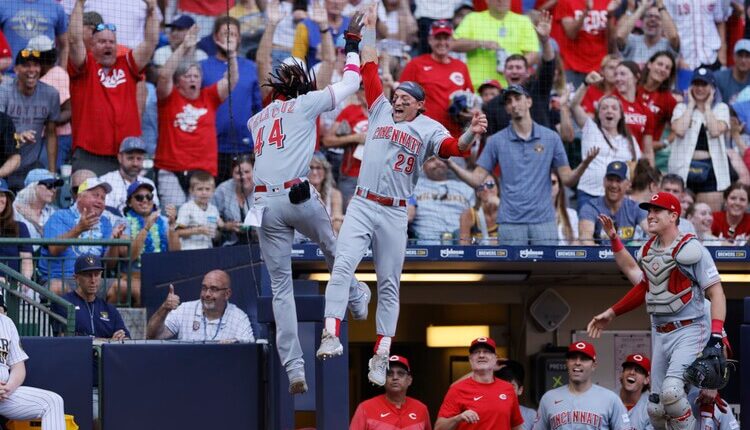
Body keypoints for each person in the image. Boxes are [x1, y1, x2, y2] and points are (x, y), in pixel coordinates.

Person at [316, 12, 489, 388]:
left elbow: (452, 149)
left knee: (390, 283)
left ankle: (381, 354)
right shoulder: (379, 108)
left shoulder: (430, 127)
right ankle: (330, 331)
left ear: (420, 106)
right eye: (396, 96)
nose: (397, 101)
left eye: (406, 99)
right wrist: (367, 29)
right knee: (342, 266)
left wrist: (471, 134)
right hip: (361, 203)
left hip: (394, 211)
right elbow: (370, 64)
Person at [249, 10, 373, 395]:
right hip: (296, 195)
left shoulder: (256, 119)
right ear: (302, 81)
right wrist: (351, 43)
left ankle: (293, 368)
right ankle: (355, 295)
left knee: (281, 288)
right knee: (333, 249)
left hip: (262, 206)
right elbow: (352, 80)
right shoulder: (306, 104)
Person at [587, 191, 727, 429]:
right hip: (662, 333)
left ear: (673, 216)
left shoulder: (692, 248)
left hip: (690, 328)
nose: (650, 215)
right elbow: (642, 285)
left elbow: (717, 294)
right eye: (649, 210)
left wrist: (716, 336)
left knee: (672, 393)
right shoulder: (649, 250)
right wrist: (612, 312)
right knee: (655, 408)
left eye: (656, 210)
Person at [448, 84, 597, 245]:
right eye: (509, 101)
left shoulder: (551, 138)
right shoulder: (496, 141)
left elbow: (567, 179)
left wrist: (585, 163)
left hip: (544, 221)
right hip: (510, 222)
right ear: (506, 109)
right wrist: (450, 163)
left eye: (518, 98)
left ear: (529, 102)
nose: (513, 104)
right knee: (512, 271)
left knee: (545, 270)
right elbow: (477, 180)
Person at [67, 0, 159, 175]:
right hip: (90, 154)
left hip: (125, 155)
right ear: (92, 46)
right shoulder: (85, 66)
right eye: (102, 41)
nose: (108, 45)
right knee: (87, 200)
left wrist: (153, 8)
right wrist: (79, 3)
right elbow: (73, 40)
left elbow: (150, 42)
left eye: (111, 42)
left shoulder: (127, 64)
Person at [156, 25, 238, 207]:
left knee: (199, 218)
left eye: (196, 76)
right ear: (178, 82)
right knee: (175, 218)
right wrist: (184, 47)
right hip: (171, 169)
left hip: (202, 170)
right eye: (187, 76)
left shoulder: (209, 96)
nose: (193, 79)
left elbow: (231, 81)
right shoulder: (169, 97)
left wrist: (231, 55)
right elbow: (163, 76)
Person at [38, 177, 127, 295]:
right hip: (62, 279)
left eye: (103, 198)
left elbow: (109, 265)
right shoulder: (60, 216)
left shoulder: (105, 223)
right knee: (57, 288)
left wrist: (114, 243)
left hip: (93, 281)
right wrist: (79, 229)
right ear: (80, 196)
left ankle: (98, 312)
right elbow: (54, 249)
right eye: (95, 195)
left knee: (123, 287)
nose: (100, 201)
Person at [201, 16, 262, 184]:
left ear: (240, 39)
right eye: (225, 33)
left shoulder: (251, 67)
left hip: (244, 146)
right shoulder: (201, 67)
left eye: (233, 34)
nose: (229, 38)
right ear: (215, 37)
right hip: (212, 147)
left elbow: (258, 109)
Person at [569, 72, 641, 211]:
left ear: (620, 115)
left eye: (614, 108)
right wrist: (585, 84)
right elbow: (574, 106)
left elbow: (635, 168)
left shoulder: (629, 140)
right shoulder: (590, 128)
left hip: (618, 199)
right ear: (598, 113)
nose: (609, 111)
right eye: (604, 108)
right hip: (589, 194)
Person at [482, 11, 557, 134]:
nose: (514, 71)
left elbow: (549, 64)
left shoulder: (538, 90)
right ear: (504, 73)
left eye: (518, 67)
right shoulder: (494, 105)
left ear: (527, 72)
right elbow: (490, 140)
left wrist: (544, 40)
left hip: (540, 150)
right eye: (510, 68)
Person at [669, 67, 732, 212]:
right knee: (678, 216)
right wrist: (690, 105)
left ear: (712, 88)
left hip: (712, 170)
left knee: (707, 217)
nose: (700, 88)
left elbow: (715, 130)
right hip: (683, 169)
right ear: (691, 87)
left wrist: (708, 107)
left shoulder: (721, 108)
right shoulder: (681, 107)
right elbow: (679, 130)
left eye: (704, 84)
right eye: (696, 84)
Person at [399, 20, 474, 140]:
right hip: (422, 136)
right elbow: (400, 98)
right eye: (438, 38)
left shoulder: (461, 66)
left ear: (452, 41)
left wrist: (468, 113)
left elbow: (470, 98)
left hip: (453, 137)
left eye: (446, 38)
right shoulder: (416, 64)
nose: (442, 42)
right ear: (430, 40)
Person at [532, 341, 632, 430]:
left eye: (584, 359)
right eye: (573, 358)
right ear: (567, 363)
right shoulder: (549, 398)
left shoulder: (611, 399)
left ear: (593, 366)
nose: (577, 362)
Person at [0, 48, 61, 190]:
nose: (32, 70)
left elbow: (51, 133)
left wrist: (51, 172)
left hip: (31, 166)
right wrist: (17, 137)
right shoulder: (4, 91)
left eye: (36, 65)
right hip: (4, 164)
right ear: (16, 69)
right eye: (26, 65)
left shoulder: (50, 94)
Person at [435, 337, 523, 430]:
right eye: (476, 352)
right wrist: (458, 418)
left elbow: (516, 426)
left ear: (495, 358)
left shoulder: (508, 388)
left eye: (486, 351)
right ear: (470, 359)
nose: (481, 355)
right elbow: (439, 428)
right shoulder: (457, 389)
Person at [146, 269, 255, 343]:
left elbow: (250, 351)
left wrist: (236, 346)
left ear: (227, 294)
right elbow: (152, 336)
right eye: (204, 288)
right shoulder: (185, 309)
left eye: (214, 289)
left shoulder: (239, 317)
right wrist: (164, 308)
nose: (207, 294)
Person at [0, 307, 66, 428]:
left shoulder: (6, 323)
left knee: (52, 401)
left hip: (4, 394)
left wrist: (7, 389)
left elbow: (18, 367)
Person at [452, 0, 540, 86]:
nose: (501, 1)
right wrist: (481, 43)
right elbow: (453, 44)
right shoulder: (473, 18)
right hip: (478, 88)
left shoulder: (523, 21)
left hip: (510, 88)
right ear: (487, 1)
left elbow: (534, 54)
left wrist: (513, 67)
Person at [120, 182, 179, 305]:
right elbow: (131, 256)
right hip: (134, 277)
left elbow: (176, 253)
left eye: (149, 196)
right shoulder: (123, 222)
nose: (145, 200)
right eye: (139, 198)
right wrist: (146, 228)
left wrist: (172, 225)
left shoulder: (163, 220)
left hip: (161, 274)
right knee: (145, 293)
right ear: (130, 202)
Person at [51, 254, 130, 340]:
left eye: (97, 275)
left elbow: (126, 338)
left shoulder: (109, 309)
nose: (93, 280)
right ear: (76, 278)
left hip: (106, 353)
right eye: (88, 275)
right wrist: (108, 341)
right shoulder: (64, 303)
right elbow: (64, 338)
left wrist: (121, 338)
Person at [349, 355, 432, 429]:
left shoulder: (421, 409)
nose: (395, 377)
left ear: (409, 380)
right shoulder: (366, 408)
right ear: (383, 379)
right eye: (389, 373)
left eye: (401, 373)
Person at [322, 85, 369, 208]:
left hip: (376, 176)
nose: (367, 93)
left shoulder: (387, 113)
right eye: (363, 90)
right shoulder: (350, 111)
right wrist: (354, 138)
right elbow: (327, 140)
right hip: (351, 174)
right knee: (347, 215)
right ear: (357, 94)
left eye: (371, 88)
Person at [579, 161, 647, 244]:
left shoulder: (634, 208)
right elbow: (585, 239)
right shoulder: (591, 207)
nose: (614, 185)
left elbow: (651, 231)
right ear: (604, 181)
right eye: (610, 180)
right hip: (598, 255)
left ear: (628, 184)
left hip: (627, 255)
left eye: (618, 181)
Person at [408, 157, 475, 242]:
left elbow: (478, 217)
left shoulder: (466, 188)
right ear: (422, 165)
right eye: (431, 160)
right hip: (425, 240)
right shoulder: (413, 187)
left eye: (442, 159)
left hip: (460, 240)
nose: (438, 163)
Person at [555, 0, 619, 87]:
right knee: (572, 99)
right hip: (573, 66)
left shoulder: (608, 2)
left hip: (599, 67)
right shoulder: (566, 1)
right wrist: (586, 11)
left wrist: (610, 15)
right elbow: (571, 34)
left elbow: (611, 39)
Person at [99, 136, 159, 214]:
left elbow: (155, 212)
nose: (135, 163)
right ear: (120, 157)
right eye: (130, 158)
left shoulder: (149, 183)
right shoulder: (105, 182)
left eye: (139, 158)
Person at [615, 0, 679, 65]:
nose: (653, 19)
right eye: (649, 16)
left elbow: (674, 37)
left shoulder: (667, 45)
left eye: (657, 17)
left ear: (663, 25)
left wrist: (661, 6)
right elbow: (620, 36)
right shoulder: (633, 40)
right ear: (642, 22)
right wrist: (642, 7)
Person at [0, 0, 68, 61]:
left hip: (46, 73)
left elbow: (64, 46)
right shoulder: (2, 5)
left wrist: (62, 72)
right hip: (9, 73)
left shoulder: (55, 7)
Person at [637, 51, 678, 152]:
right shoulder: (633, 87)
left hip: (646, 154)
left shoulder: (669, 100)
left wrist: (664, 143)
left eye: (667, 68)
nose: (662, 69)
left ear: (669, 74)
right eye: (660, 64)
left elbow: (678, 128)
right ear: (650, 65)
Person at [212, 154, 255, 246]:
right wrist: (225, 226)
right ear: (232, 173)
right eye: (238, 173)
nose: (243, 176)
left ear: (254, 171)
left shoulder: (262, 188)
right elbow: (211, 214)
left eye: (247, 172)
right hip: (230, 243)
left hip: (260, 242)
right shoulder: (222, 190)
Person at [175, 172, 223, 250]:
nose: (204, 193)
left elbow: (219, 230)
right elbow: (177, 232)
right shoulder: (186, 207)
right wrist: (197, 230)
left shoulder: (213, 209)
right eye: (200, 189)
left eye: (207, 189)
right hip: (189, 250)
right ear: (191, 190)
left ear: (213, 190)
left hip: (208, 249)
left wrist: (217, 233)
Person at [13, 169, 61, 244]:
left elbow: (58, 242)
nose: (54, 190)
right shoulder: (13, 209)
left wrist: (36, 222)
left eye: (55, 186)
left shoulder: (54, 212)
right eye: (49, 185)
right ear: (33, 186)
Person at [0, 179, 32, 281]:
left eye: (2, 195)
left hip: (14, 286)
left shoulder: (20, 227)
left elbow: (26, 261)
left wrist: (24, 282)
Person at [494, 360, 536, 430]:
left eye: (511, 387)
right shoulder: (488, 412)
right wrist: (487, 369)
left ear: (520, 390)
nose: (506, 392)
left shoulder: (531, 415)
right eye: (502, 386)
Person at [459, 176, 499, 245]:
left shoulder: (509, 211)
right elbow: (463, 246)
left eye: (490, 185)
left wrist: (499, 205)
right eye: (481, 186)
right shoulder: (468, 215)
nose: (485, 189)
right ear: (477, 193)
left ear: (498, 188)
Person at [619, 354, 652, 430]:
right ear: (622, 374)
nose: (632, 372)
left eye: (638, 370)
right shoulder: (608, 400)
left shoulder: (651, 407)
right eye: (628, 368)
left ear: (646, 380)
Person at [714, 39, 750, 103]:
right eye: (740, 55)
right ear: (734, 57)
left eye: (747, 56)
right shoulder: (719, 78)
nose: (743, 60)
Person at [551, 171, 578, 245]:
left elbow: (576, 247)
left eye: (553, 182)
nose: (549, 186)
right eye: (545, 183)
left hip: (566, 256)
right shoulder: (533, 215)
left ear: (559, 187)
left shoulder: (572, 214)